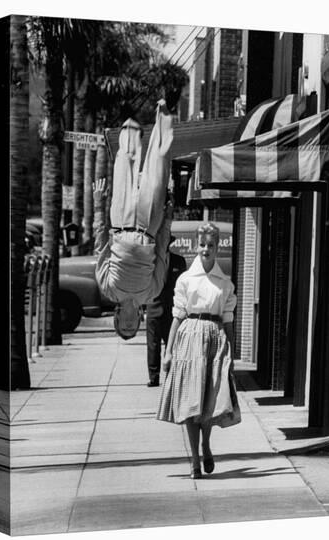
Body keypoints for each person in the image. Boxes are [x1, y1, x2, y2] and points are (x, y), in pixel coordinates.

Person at [156, 222, 241, 479]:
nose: (206, 250)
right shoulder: (185, 280)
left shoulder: (224, 284)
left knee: (209, 402)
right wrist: (168, 352)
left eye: (211, 245)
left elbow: (228, 322)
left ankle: (206, 445)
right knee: (191, 405)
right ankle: (195, 460)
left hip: (215, 341)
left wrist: (231, 355)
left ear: (217, 248)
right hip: (189, 341)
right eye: (202, 245)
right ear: (197, 245)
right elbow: (177, 317)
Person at [93, 99, 174, 340]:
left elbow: (101, 248)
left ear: (116, 320)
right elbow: (161, 252)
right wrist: (167, 218)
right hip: (149, 226)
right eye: (132, 328)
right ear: (139, 321)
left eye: (123, 327)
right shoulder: (152, 293)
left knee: (125, 160)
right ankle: (163, 112)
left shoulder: (108, 289)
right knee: (158, 164)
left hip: (120, 220)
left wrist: (98, 203)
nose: (129, 324)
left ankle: (129, 114)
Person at [146, 247, 186, 387]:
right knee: (153, 345)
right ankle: (153, 377)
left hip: (172, 309)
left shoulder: (179, 261)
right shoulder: (150, 260)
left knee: (173, 343)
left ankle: (172, 374)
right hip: (153, 306)